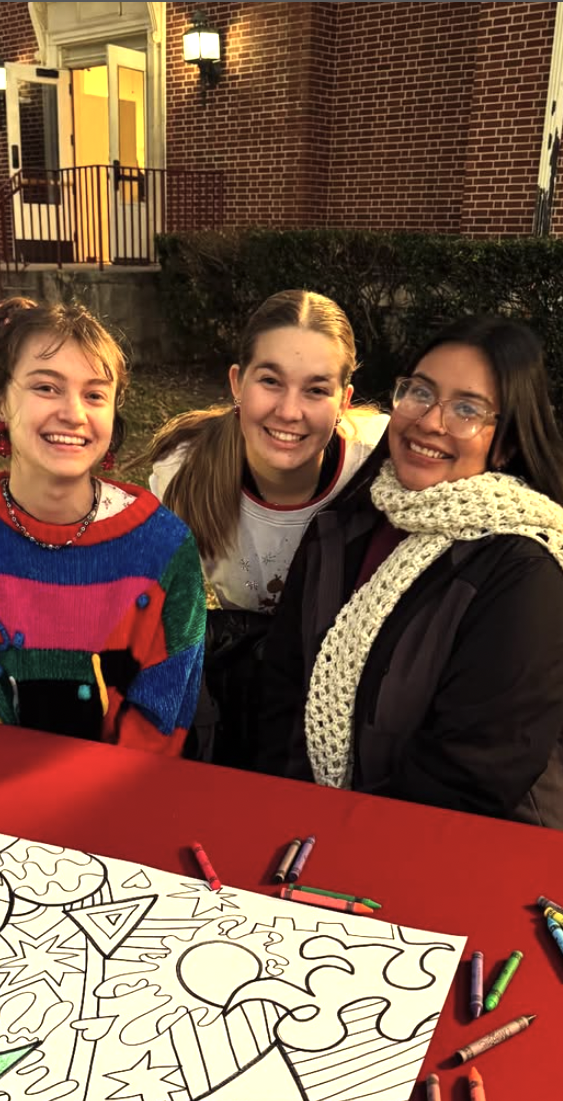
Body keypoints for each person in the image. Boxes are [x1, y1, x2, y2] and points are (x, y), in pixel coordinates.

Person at [257, 315, 563, 835]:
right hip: (309, 832)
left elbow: (472, 775)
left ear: (505, 444)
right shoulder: (341, 529)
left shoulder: (526, 571)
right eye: (419, 393)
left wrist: (338, 835)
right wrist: (286, 816)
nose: (431, 421)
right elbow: (280, 697)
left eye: (467, 410)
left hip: (462, 850)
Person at [0, 296, 205, 754]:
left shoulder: (167, 550)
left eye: (95, 394)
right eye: (46, 387)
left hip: (125, 800)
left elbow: (158, 730)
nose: (74, 413)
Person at [147, 289, 388, 765]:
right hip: (254, 688)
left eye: (317, 389)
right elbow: (163, 621)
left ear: (344, 401)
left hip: (358, 701)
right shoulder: (182, 475)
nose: (290, 411)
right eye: (271, 381)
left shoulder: (381, 463)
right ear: (238, 383)